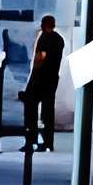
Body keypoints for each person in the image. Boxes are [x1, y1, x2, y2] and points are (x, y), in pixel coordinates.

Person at [22, 14, 64, 151]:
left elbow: (40, 59)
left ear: (45, 25)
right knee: (47, 112)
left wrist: (32, 78)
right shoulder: (59, 39)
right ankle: (47, 142)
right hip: (51, 79)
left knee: (31, 109)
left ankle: (31, 139)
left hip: (40, 79)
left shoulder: (45, 38)